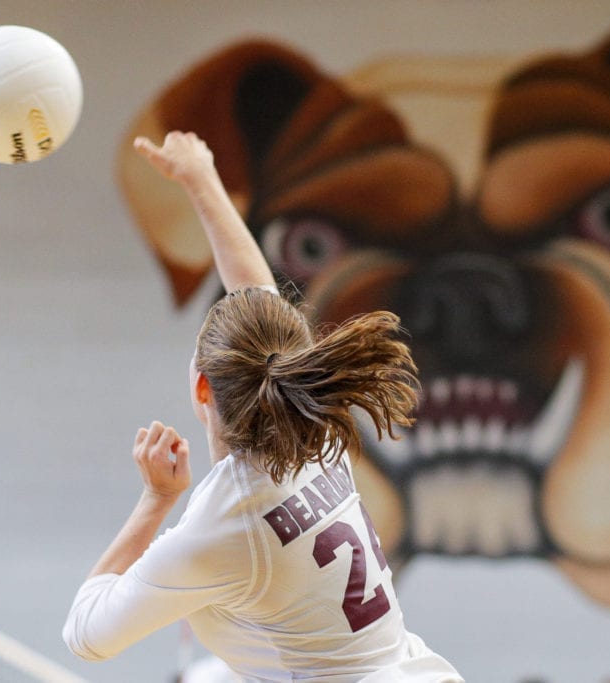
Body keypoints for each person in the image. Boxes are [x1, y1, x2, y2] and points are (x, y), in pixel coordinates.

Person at [62, 131, 463, 682]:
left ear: (201, 388)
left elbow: (85, 634)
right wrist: (201, 179)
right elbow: (258, 299)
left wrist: (157, 499)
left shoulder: (224, 523)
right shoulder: (318, 422)